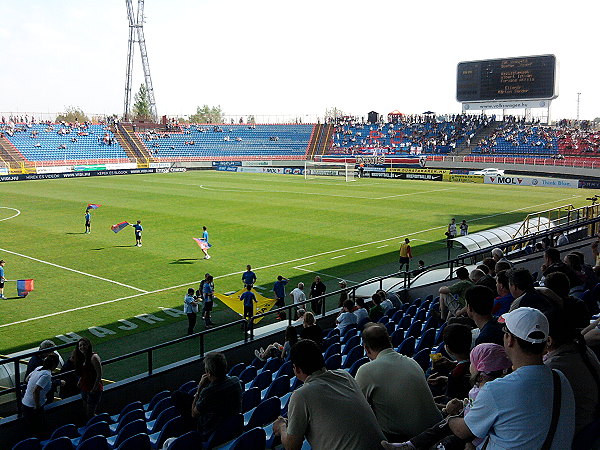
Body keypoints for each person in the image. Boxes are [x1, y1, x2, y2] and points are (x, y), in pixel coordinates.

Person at [447, 307, 576, 449]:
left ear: (509, 340)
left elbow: (462, 431)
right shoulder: (560, 378)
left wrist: (449, 417)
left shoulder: (496, 389)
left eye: (505, 332)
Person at [383, 343, 512, 450]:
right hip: (468, 424)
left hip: (472, 434)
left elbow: (486, 426)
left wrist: (472, 443)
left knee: (446, 440)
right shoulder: (487, 387)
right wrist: (463, 404)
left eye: (473, 362)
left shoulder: (489, 393)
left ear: (480, 368)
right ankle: (410, 445)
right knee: (438, 428)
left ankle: (410, 446)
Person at [272, 339, 385, 449]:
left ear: (296, 369)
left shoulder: (301, 395)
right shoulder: (344, 375)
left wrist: (282, 426)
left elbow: (291, 446)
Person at [356, 324, 442, 441]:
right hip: (437, 431)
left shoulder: (366, 371)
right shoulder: (412, 362)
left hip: (407, 440)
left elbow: (357, 410)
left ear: (366, 348)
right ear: (390, 340)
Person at [545, 308, 600, 433]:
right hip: (591, 422)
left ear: (549, 340)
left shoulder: (553, 366)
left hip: (580, 431)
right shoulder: (582, 350)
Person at [170, 352, 242, 438]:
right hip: (231, 424)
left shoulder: (208, 392)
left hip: (211, 430)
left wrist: (199, 388)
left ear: (210, 373)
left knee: (176, 396)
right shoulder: (236, 381)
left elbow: (194, 414)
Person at [22, 354, 60, 437]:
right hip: (33, 406)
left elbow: (27, 379)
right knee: (39, 430)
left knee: (33, 430)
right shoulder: (47, 374)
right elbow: (36, 390)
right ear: (54, 365)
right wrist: (37, 405)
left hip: (25, 403)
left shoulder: (38, 368)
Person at [75, 338, 103, 419]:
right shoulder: (83, 357)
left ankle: (99, 424)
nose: (82, 347)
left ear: (89, 346)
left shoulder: (94, 357)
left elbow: (99, 374)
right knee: (86, 410)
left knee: (90, 413)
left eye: (84, 345)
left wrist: (94, 389)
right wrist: (80, 381)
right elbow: (84, 373)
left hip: (93, 389)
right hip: (85, 388)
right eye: (80, 345)